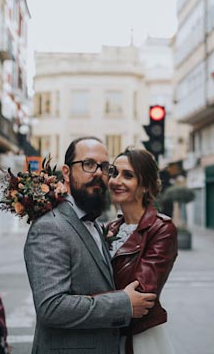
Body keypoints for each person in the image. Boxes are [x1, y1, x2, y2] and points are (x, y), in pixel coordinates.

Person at [24, 136, 157, 353]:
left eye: (105, 167)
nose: (98, 173)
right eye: (88, 164)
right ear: (66, 172)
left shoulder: (94, 224)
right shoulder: (50, 227)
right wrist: (123, 304)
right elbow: (51, 308)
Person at [104, 148, 178, 353]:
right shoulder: (109, 228)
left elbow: (142, 295)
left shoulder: (162, 229)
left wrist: (86, 301)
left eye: (127, 175)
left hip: (139, 339)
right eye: (113, 172)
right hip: (105, 333)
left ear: (145, 185)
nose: (116, 181)